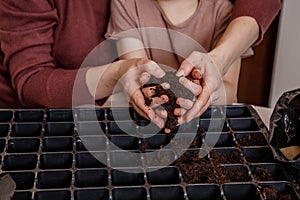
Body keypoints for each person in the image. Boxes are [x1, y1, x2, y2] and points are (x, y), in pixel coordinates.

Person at [0, 1, 281, 127]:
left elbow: (229, 89)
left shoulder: (221, 12)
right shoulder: (127, 4)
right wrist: (127, 74)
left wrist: (214, 75)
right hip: (32, 113)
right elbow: (32, 82)